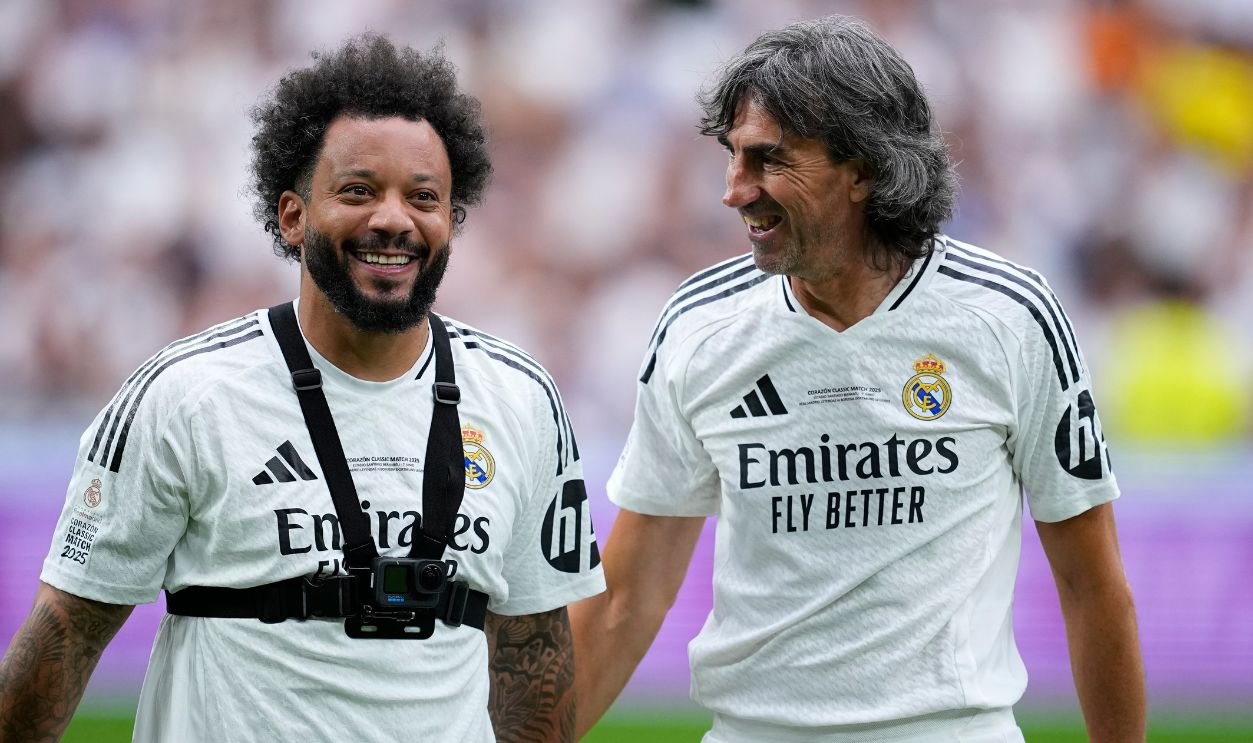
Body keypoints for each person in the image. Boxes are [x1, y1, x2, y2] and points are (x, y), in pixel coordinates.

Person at [0, 34, 603, 743]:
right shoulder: (185, 396)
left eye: (423, 197)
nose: (392, 218)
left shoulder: (521, 399)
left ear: (450, 221)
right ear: (291, 215)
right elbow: (64, 637)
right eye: (357, 190)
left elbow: (534, 655)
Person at [571, 15, 1145, 743]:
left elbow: (1092, 586)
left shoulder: (1008, 317)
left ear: (863, 168)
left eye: (767, 160)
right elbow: (626, 597)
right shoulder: (698, 327)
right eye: (731, 157)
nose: (733, 190)